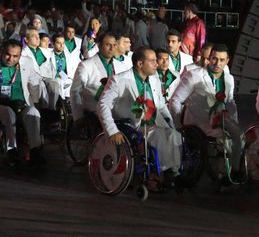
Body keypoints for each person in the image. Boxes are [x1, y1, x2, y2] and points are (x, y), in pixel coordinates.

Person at [97, 47, 183, 184]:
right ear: (140, 64)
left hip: (153, 122)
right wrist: (112, 131)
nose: (157, 64)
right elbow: (103, 105)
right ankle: (164, 173)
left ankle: (174, 172)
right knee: (161, 136)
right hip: (131, 125)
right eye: (153, 61)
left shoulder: (154, 79)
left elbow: (161, 105)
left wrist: (171, 123)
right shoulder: (119, 80)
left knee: (174, 135)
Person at [169, 44, 243, 177]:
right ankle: (222, 173)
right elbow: (175, 100)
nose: (217, 63)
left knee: (240, 136)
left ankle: (235, 170)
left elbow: (230, 102)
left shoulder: (228, 79)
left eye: (221, 60)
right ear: (209, 58)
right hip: (197, 121)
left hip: (221, 119)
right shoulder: (194, 76)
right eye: (214, 59)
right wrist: (178, 125)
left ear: (227, 61)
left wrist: (233, 120)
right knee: (225, 138)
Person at [70, 33, 126, 122]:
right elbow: (75, 92)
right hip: (94, 116)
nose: (112, 48)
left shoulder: (121, 66)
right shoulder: (86, 66)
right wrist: (78, 119)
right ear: (99, 46)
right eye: (108, 45)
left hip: (117, 115)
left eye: (114, 45)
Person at [45, 33, 79, 100]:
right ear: (53, 44)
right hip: (53, 77)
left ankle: (67, 103)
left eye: (63, 43)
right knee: (58, 84)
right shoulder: (47, 55)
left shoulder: (70, 56)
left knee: (72, 84)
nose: (62, 45)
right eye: (58, 43)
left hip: (64, 75)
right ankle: (60, 104)